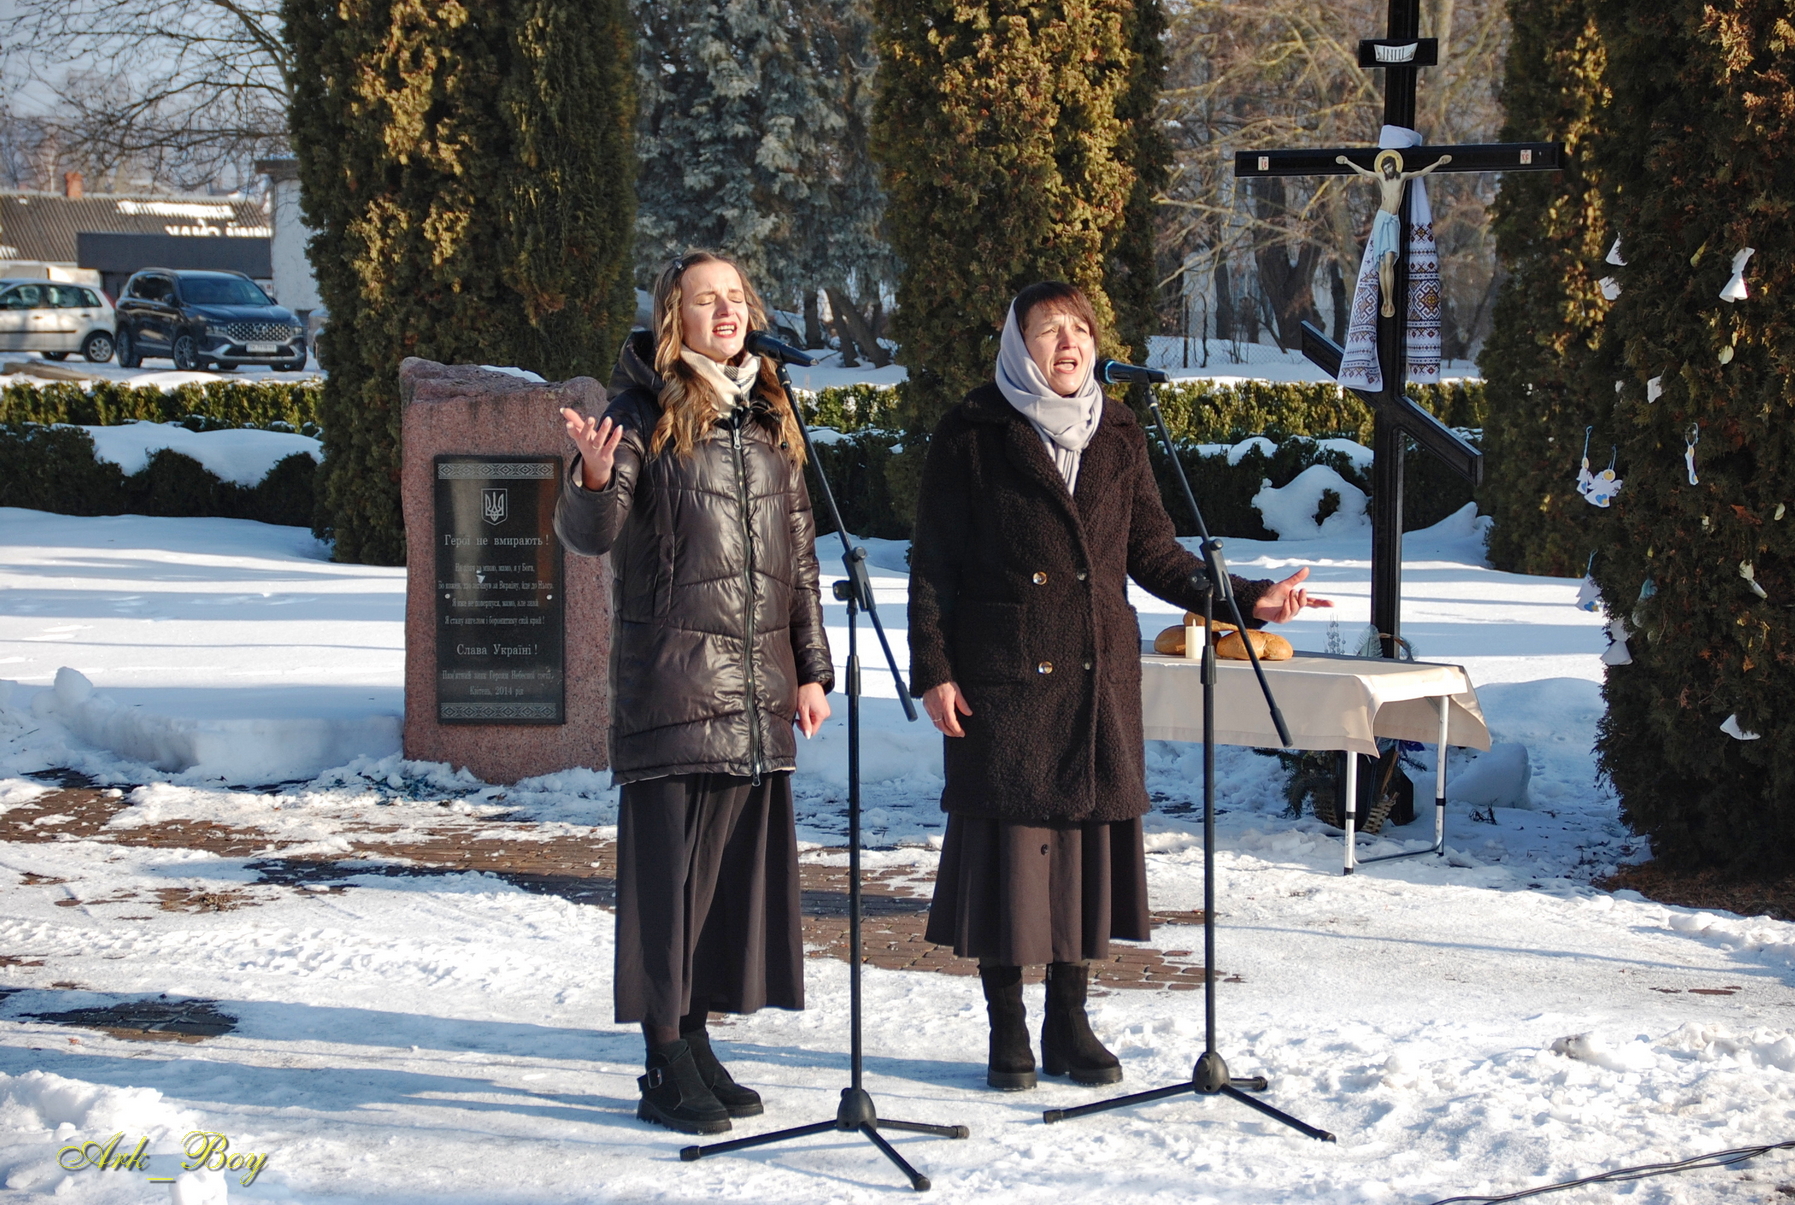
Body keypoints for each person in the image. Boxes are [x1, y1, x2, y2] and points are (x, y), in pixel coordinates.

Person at [908, 281, 1329, 1091]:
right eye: (1047, 330)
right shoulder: (971, 432)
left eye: (1080, 328)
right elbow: (933, 566)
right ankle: (1007, 1028)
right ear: (1017, 345)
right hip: (1005, 670)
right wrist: (934, 668)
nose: (1068, 343)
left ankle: (1067, 1022)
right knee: (1009, 856)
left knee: (1080, 855)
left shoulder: (1121, 430)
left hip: (1094, 672)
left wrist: (1250, 598)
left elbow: (1155, 553)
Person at [555, 251, 833, 1135]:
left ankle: (696, 1037)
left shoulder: (768, 412)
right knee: (666, 887)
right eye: (705, 299)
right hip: (673, 685)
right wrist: (590, 478)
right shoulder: (640, 410)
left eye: (736, 296)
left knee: (721, 884)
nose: (726, 310)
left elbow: (799, 552)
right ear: (673, 315)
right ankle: (662, 1058)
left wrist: (812, 667)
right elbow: (592, 533)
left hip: (756, 687)